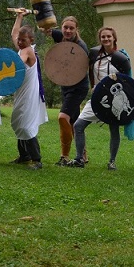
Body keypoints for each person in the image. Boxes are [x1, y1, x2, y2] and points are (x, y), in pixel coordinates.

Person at [66, 26, 132, 170]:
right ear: (100, 38)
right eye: (103, 37)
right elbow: (88, 69)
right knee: (78, 126)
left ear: (114, 38)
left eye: (109, 36)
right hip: (97, 98)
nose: (106, 39)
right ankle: (79, 159)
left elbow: (127, 81)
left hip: (114, 99)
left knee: (114, 129)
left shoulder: (121, 59)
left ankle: (112, 162)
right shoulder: (94, 53)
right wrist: (93, 85)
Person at [45, 16, 89, 165]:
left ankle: (64, 156)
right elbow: (47, 29)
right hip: (66, 86)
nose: (68, 30)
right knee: (74, 122)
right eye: (65, 27)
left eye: (71, 28)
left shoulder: (81, 46)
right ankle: (83, 154)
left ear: (77, 29)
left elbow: (82, 69)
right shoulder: (61, 36)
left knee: (63, 117)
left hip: (78, 87)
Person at [8, 11, 49, 170]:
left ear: (31, 40)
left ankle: (37, 159)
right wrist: (19, 16)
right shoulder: (22, 47)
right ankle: (24, 155)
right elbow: (14, 34)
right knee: (19, 121)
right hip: (21, 92)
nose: (19, 42)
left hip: (29, 94)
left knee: (26, 124)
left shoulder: (28, 51)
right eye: (19, 39)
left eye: (23, 40)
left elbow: (18, 63)